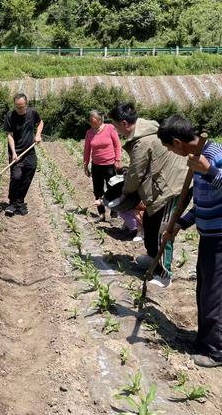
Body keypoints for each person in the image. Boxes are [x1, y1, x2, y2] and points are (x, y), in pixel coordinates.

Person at [158, 115, 222, 367]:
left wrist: (210, 171)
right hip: (208, 237)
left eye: (170, 149)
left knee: (214, 295)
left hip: (220, 239)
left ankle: (216, 350)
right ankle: (204, 340)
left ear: (178, 142)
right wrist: (180, 224)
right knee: (204, 291)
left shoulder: (215, 154)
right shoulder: (197, 160)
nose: (173, 153)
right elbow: (203, 203)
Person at [108, 102, 187, 288]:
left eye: (116, 125)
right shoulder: (146, 132)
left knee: (163, 229)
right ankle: (153, 258)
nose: (115, 129)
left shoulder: (142, 140)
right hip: (162, 185)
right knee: (151, 224)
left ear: (125, 123)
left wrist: (124, 194)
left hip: (173, 187)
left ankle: (164, 274)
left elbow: (136, 173)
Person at [4, 94, 44, 216]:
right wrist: (14, 153)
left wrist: (37, 135)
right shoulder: (10, 116)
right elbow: (10, 135)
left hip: (30, 151)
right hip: (16, 151)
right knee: (16, 177)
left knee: (27, 176)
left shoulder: (32, 113)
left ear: (26, 104)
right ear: (14, 105)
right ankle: (12, 203)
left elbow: (40, 122)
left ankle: (20, 202)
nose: (20, 109)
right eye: (17, 107)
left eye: (22, 107)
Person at [83, 110, 122, 222]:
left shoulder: (110, 128)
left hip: (110, 164)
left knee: (113, 188)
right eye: (90, 122)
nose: (92, 124)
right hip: (96, 165)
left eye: (94, 121)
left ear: (100, 120)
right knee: (97, 190)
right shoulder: (89, 133)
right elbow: (87, 150)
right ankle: (101, 214)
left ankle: (114, 212)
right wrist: (85, 165)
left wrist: (117, 160)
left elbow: (117, 145)